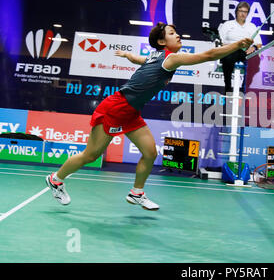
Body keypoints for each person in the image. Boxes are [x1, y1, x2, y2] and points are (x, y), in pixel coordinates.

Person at [45, 22, 253, 211]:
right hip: (116, 108)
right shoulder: (171, 58)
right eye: (173, 33)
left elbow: (141, 60)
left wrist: (128, 57)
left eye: (177, 32)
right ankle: (56, 179)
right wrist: (237, 45)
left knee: (150, 152)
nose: (179, 35)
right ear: (162, 42)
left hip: (131, 112)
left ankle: (137, 193)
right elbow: (208, 56)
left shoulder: (157, 57)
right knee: (90, 156)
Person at [218, 1, 262, 94]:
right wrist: (226, 46)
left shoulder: (252, 26)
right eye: (241, 11)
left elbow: (258, 43)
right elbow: (220, 41)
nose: (243, 14)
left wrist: (253, 47)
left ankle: (244, 89)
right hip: (230, 49)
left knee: (254, 60)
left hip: (245, 51)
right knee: (227, 59)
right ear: (236, 12)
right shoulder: (227, 24)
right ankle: (228, 88)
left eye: (245, 12)